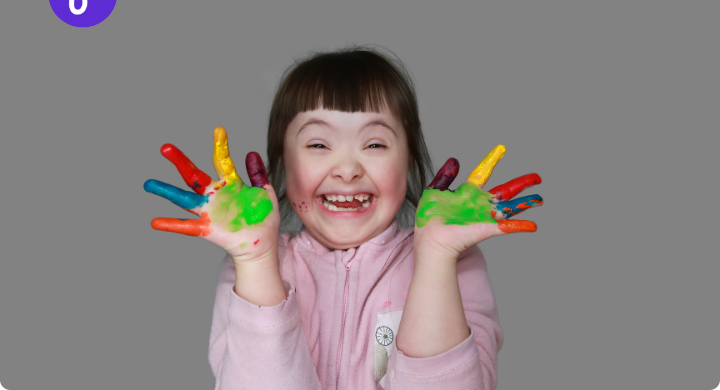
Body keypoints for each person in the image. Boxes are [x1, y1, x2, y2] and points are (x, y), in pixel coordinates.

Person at [143, 45, 543, 389]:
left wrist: (436, 257)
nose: (347, 169)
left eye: (374, 143)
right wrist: (257, 263)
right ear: (282, 164)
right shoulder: (249, 266)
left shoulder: (457, 263)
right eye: (318, 144)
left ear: (409, 161)